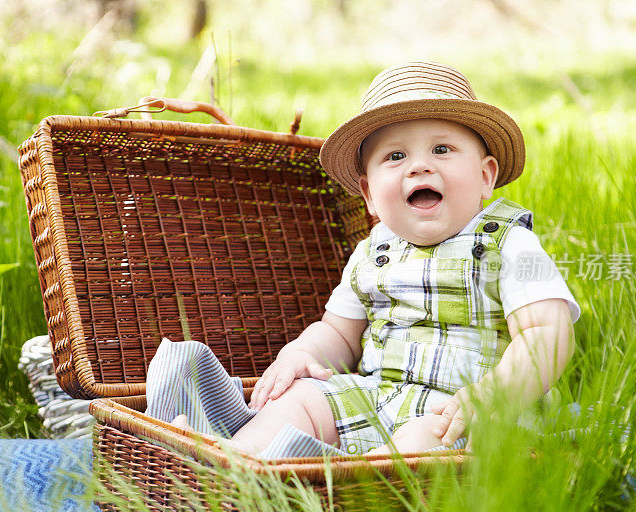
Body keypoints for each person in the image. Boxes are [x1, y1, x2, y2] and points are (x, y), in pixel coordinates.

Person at [174, 61, 580, 456]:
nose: (420, 166)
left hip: (467, 413)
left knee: (423, 439)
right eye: (395, 157)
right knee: (303, 400)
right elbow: (338, 333)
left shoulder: (509, 244)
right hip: (379, 395)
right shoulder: (374, 252)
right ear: (368, 194)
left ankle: (363, 494)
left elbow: (546, 333)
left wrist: (496, 394)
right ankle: (236, 461)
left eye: (442, 149)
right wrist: (301, 355)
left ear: (486, 176)